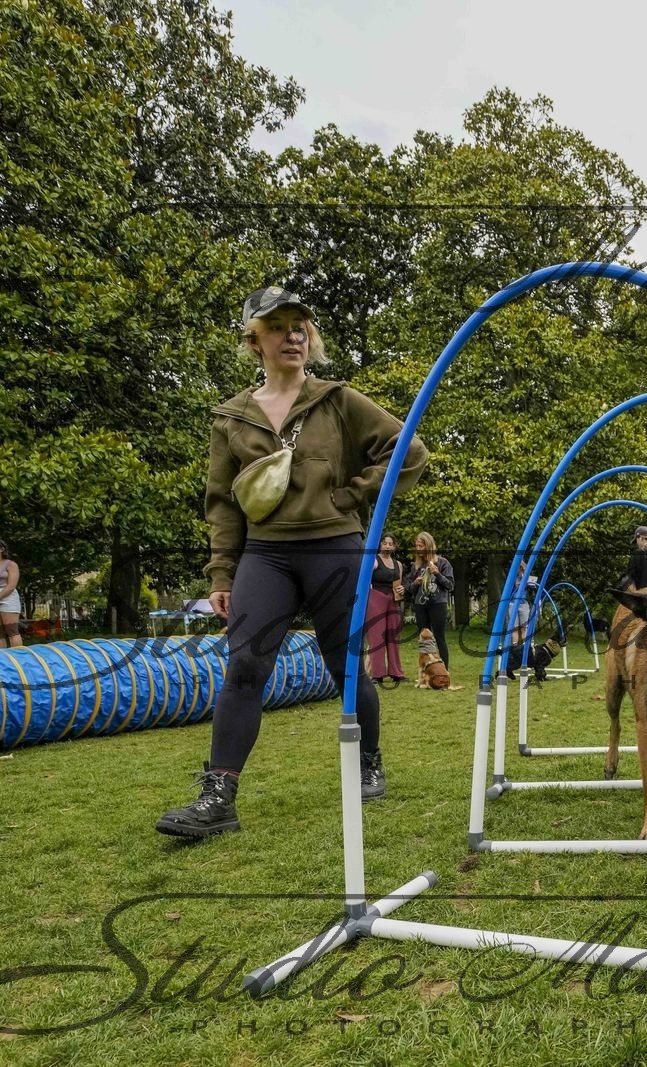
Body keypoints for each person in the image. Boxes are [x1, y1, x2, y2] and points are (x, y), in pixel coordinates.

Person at [156, 286, 428, 838]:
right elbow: (222, 503)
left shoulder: (339, 399)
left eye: (300, 324)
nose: (294, 335)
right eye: (278, 326)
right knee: (245, 667)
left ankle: (367, 762)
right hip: (267, 555)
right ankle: (218, 798)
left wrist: (351, 496)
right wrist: (222, 573)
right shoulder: (230, 417)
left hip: (335, 548)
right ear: (254, 340)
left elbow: (410, 451)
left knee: (343, 668)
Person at [409, 531, 455, 673]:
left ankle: (444, 670)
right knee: (424, 639)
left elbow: (450, 585)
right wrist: (415, 583)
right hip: (421, 605)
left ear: (428, 546)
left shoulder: (443, 563)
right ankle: (424, 670)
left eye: (421, 546)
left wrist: (437, 573)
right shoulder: (416, 566)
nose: (418, 549)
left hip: (438, 604)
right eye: (417, 546)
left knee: (439, 637)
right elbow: (409, 588)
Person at [367, 534, 407, 684]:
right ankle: (377, 674)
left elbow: (399, 582)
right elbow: (364, 580)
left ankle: (396, 672)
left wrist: (402, 589)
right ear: (380, 545)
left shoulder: (398, 564)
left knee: (394, 636)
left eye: (390, 544)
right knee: (377, 636)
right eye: (385, 543)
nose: (388, 546)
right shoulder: (374, 561)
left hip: (393, 599)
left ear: (394, 546)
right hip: (376, 597)